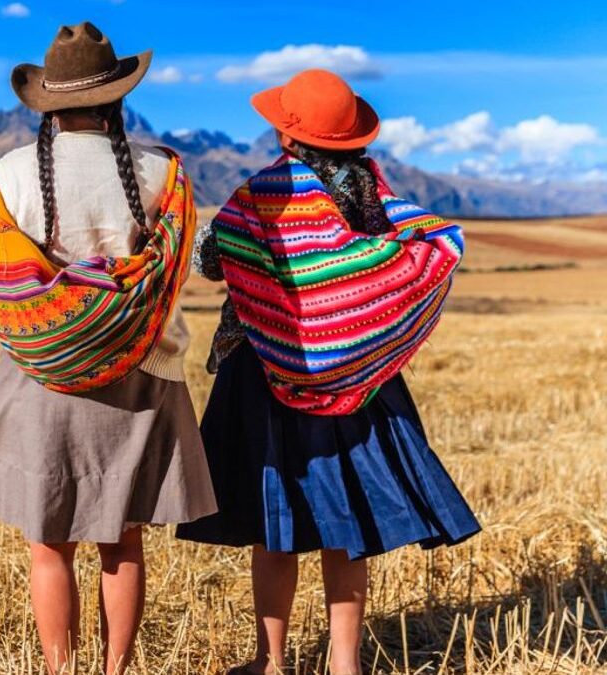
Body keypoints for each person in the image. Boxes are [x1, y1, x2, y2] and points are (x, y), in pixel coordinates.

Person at [175, 69, 482, 675]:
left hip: (263, 373)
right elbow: (421, 248)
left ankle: (271, 661)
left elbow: (213, 257)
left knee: (275, 522)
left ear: (287, 133)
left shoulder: (263, 191)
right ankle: (346, 664)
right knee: (347, 522)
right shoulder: (375, 193)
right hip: (360, 380)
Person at [0, 22, 217, 675]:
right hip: (141, 375)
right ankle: (117, 669)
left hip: (40, 379)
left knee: (48, 545)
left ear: (48, 100)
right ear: (117, 98)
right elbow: (184, 260)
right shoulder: (163, 173)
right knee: (122, 539)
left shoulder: (9, 175)